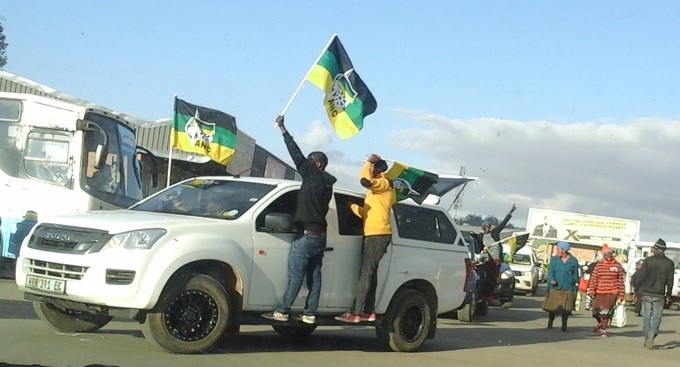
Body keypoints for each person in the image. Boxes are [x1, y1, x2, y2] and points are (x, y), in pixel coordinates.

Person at [263, 115, 337, 325]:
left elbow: (295, 153)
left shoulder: (312, 175)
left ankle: (283, 309)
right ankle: (309, 313)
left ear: (318, 165)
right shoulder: (328, 184)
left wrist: (283, 129)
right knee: (315, 277)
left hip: (305, 238)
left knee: (296, 276)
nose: (306, 164)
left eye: (311, 162)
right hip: (319, 237)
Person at [335, 154, 396, 323]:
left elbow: (365, 181)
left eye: (372, 168)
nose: (370, 170)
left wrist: (368, 162)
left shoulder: (384, 183)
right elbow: (366, 213)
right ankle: (368, 311)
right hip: (374, 232)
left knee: (366, 273)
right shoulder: (376, 192)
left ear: (377, 170)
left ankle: (356, 312)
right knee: (371, 273)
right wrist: (351, 206)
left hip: (378, 234)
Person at [635, 238, 675, 349]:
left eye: (653, 247)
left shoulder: (648, 261)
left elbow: (641, 276)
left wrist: (636, 289)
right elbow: (670, 281)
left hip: (646, 292)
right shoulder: (669, 263)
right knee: (657, 316)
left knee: (646, 316)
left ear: (656, 249)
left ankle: (648, 336)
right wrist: (668, 295)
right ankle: (653, 331)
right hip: (659, 294)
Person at [475, 204, 517, 301]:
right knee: (485, 278)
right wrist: (483, 249)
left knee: (494, 279)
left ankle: (490, 295)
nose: (489, 228)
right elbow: (478, 247)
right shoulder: (479, 237)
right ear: (483, 228)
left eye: (489, 226)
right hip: (486, 261)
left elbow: (503, 224)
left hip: (496, 261)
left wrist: (510, 212)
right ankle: (483, 294)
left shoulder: (494, 233)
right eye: (487, 227)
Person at [586, 243, 625, 337]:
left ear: (612, 255)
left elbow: (621, 281)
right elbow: (594, 279)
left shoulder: (617, 266)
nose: (608, 256)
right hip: (599, 292)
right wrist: (591, 291)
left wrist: (621, 295)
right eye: (606, 254)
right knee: (596, 312)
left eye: (609, 254)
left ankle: (603, 329)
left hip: (612, 292)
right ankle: (601, 324)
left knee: (605, 312)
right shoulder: (598, 266)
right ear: (603, 256)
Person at [542, 241, 580, 331]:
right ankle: (550, 323)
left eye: (558, 249)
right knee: (552, 307)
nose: (557, 251)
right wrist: (551, 280)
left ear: (564, 250)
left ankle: (564, 325)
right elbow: (550, 272)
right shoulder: (554, 260)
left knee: (566, 309)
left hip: (568, 287)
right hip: (555, 287)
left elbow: (576, 275)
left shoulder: (573, 261)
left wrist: (576, 283)